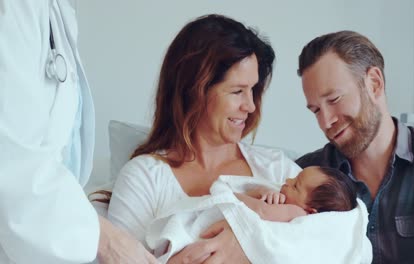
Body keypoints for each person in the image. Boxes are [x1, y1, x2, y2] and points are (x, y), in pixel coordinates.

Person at [107, 14, 371, 264]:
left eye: (253, 90)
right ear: (194, 91)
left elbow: (339, 243)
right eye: (237, 91)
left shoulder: (278, 170)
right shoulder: (145, 178)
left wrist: (247, 248)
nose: (251, 106)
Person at [0, 1, 157, 263]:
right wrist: (107, 240)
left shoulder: (56, 11)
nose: (247, 105)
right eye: (236, 91)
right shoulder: (15, 9)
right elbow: (11, 160)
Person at [295, 30, 414, 263]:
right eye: (316, 110)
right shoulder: (302, 175)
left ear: (374, 84)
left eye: (334, 99)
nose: (326, 121)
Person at [235, 166, 358, 222]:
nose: (288, 180)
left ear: (311, 211)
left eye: (295, 186)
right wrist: (262, 192)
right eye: (294, 178)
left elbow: (261, 211)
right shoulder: (289, 202)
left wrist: (230, 196)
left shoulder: (298, 213)